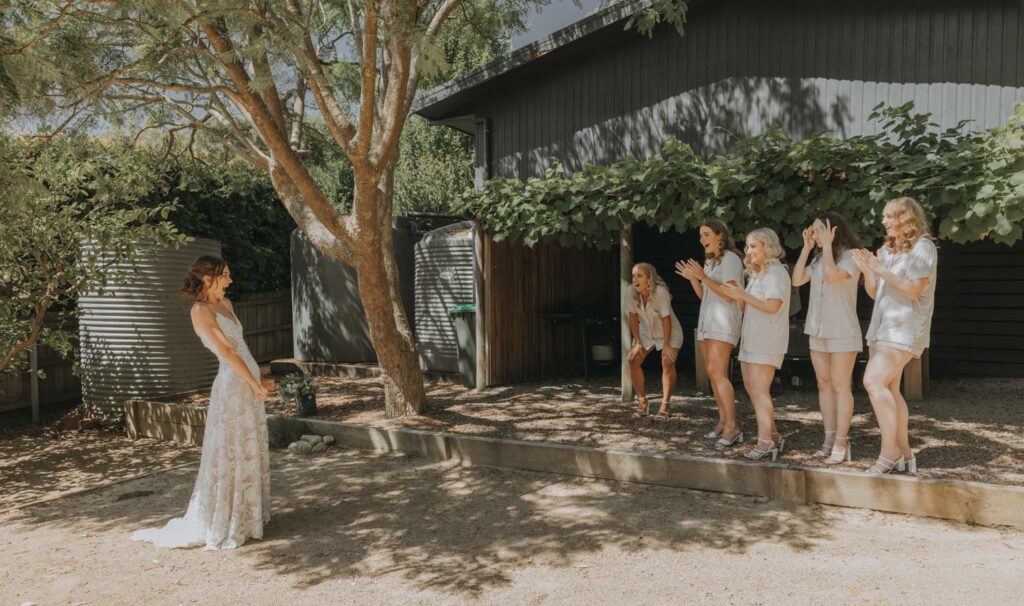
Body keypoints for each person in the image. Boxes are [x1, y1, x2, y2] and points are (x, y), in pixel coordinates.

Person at [132, 256, 271, 549]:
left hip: (247, 382)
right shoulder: (200, 312)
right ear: (208, 279)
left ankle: (247, 515)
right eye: (225, 275)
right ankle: (227, 519)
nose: (230, 281)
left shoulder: (227, 305)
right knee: (230, 448)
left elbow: (243, 348)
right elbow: (228, 351)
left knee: (247, 446)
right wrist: (252, 382)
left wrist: (259, 377)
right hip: (232, 387)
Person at [853, 197, 938, 475]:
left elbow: (914, 290)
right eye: (884, 217)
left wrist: (881, 270)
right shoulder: (887, 251)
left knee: (872, 381)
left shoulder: (923, 248)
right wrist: (869, 270)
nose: (884, 221)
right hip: (881, 328)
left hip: (904, 328)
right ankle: (904, 454)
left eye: (889, 216)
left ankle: (888, 452)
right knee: (889, 388)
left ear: (906, 219)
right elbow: (876, 293)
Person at [791, 213, 862, 465]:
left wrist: (828, 246)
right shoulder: (820, 257)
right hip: (817, 330)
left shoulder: (851, 256)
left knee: (841, 385)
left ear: (834, 230)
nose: (816, 234)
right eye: (813, 230)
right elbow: (797, 279)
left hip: (842, 331)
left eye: (820, 230)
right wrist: (806, 248)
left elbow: (832, 276)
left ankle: (842, 441)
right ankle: (828, 438)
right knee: (823, 384)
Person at [721, 228, 790, 461]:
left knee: (760, 390)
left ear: (767, 247)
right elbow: (745, 307)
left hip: (767, 338)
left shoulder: (777, 273)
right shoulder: (757, 274)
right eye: (747, 246)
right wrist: (739, 295)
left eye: (753, 246)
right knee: (751, 387)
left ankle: (766, 442)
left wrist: (743, 295)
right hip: (751, 337)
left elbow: (773, 306)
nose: (748, 251)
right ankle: (774, 435)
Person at [675, 219, 745, 448]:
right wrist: (695, 279)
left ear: (719, 236)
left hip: (723, 323)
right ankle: (723, 422)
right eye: (700, 236)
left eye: (706, 234)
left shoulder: (732, 259)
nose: (702, 239)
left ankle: (733, 427)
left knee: (718, 373)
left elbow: (729, 294)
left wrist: (703, 277)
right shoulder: (710, 263)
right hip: (707, 323)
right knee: (712, 373)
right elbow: (704, 296)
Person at [627, 262, 684, 420]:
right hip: (647, 332)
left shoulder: (661, 293)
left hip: (670, 332)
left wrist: (666, 346)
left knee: (667, 361)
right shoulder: (630, 292)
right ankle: (642, 403)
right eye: (633, 275)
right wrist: (637, 342)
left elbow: (666, 320)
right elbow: (632, 317)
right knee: (632, 360)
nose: (635, 279)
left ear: (649, 279)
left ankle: (665, 405)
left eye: (639, 275)